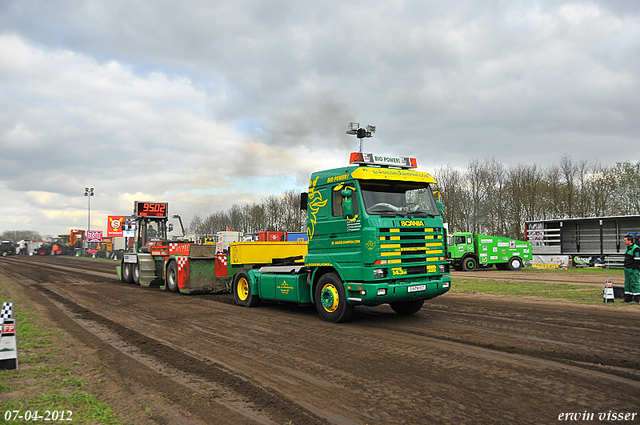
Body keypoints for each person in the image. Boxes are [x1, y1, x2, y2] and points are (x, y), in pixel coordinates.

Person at [622, 235, 640, 303]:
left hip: (633, 269)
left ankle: (636, 298)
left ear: (629, 241)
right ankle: (627, 298)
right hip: (627, 268)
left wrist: (634, 267)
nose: (624, 241)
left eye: (625, 240)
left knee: (634, 283)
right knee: (627, 283)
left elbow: (637, 259)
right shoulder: (627, 247)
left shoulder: (636, 248)